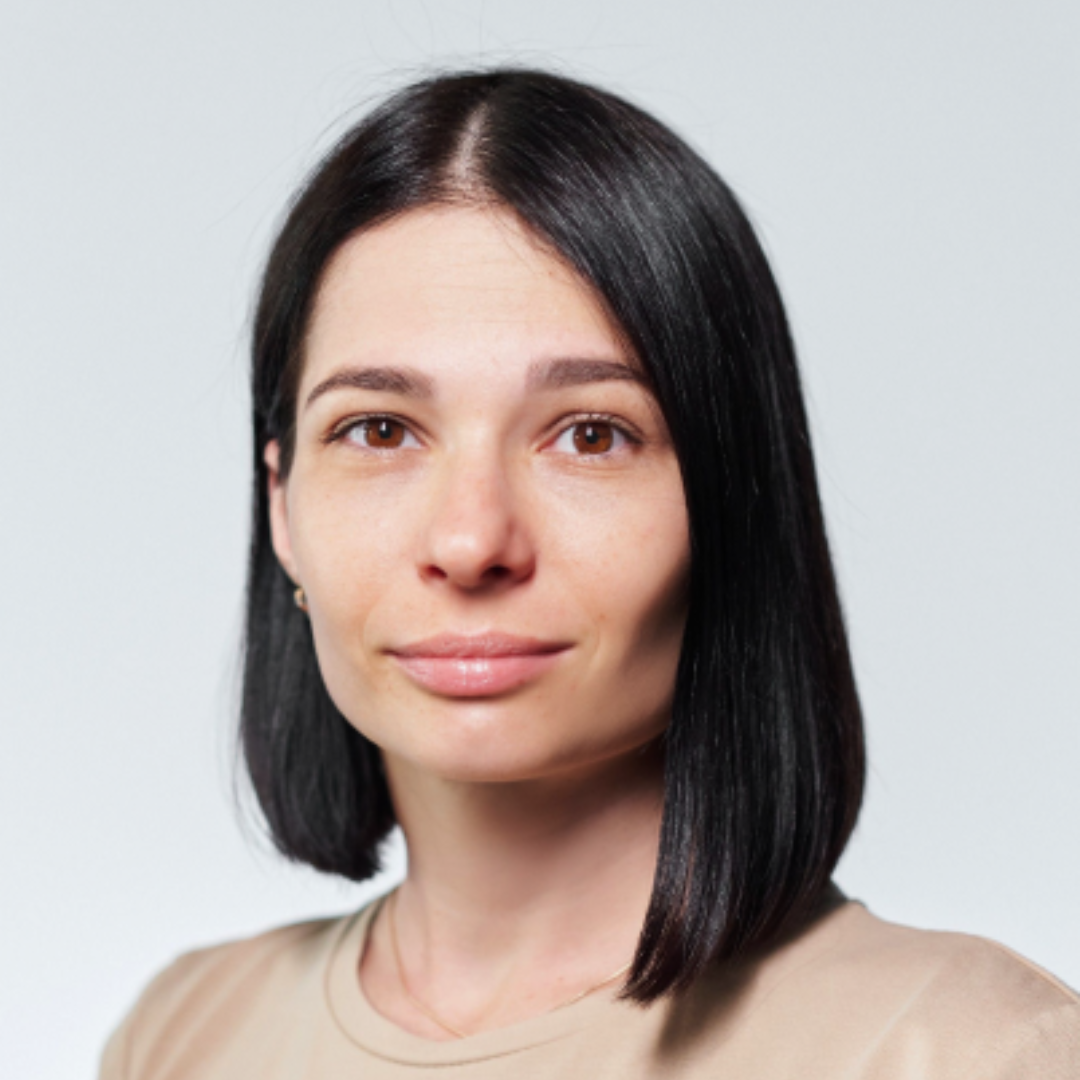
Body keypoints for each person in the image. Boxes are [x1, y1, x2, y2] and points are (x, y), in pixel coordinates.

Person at [98, 68, 1079, 1078]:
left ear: (732, 502)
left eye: (591, 435)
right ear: (282, 507)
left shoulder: (969, 1053)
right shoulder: (182, 1037)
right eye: (380, 430)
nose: (471, 542)